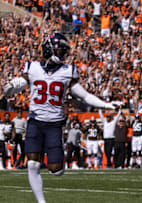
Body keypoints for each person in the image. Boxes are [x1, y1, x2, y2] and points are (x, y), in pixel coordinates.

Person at [3, 33, 115, 203]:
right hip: (35, 121)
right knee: (32, 164)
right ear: (50, 49)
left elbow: (84, 96)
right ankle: (41, 202)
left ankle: (56, 162)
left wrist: (106, 105)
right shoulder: (32, 68)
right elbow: (22, 82)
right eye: (60, 49)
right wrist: (12, 87)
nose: (63, 53)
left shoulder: (67, 71)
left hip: (54, 125)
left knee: (57, 170)